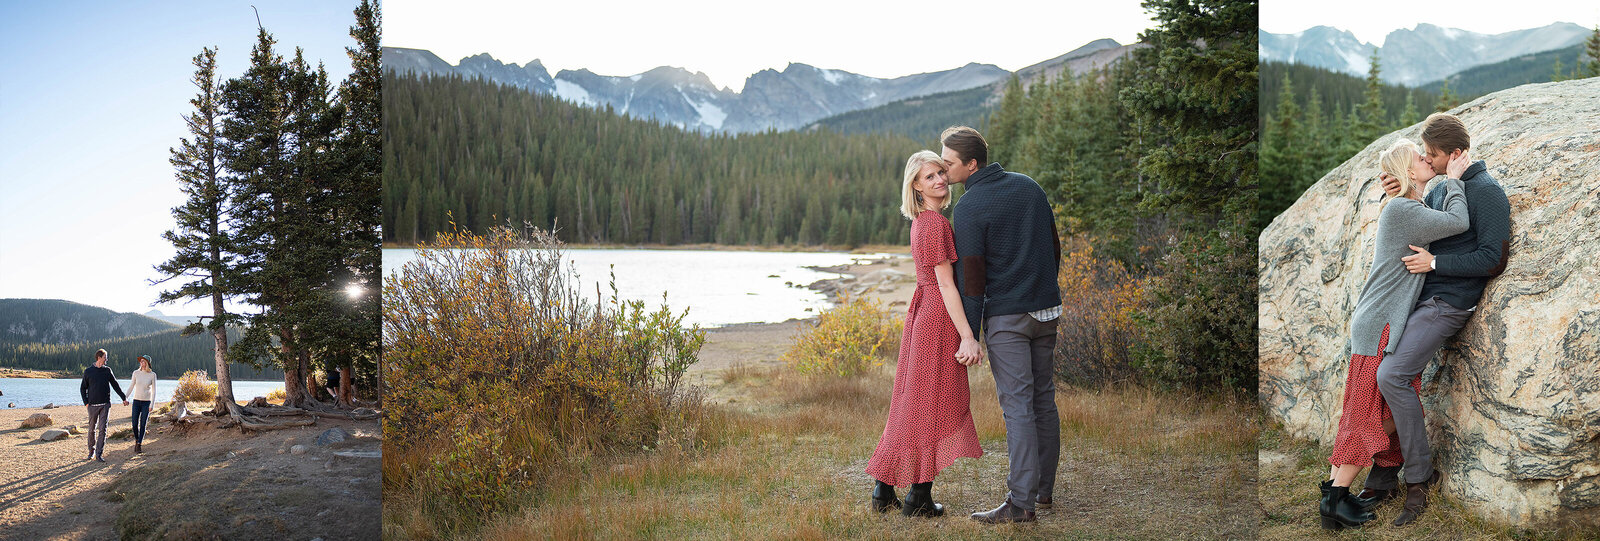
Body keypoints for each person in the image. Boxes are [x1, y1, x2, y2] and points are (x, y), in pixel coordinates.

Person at [1321, 139, 1469, 530]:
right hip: (1380, 325)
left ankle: (1334, 493)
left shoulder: (1404, 207)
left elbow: (1428, 215)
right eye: (1420, 158)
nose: (1427, 159)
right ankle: (1335, 498)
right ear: (1408, 171)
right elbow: (1458, 222)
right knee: (1369, 414)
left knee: (1373, 412)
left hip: (1375, 320)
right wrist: (1454, 179)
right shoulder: (1404, 209)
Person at [1372, 112, 1511, 527]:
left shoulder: (1485, 191)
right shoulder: (1438, 188)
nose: (1426, 160)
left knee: (1391, 376)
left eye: (1431, 155)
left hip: (1447, 303)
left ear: (1456, 154)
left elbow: (1493, 258)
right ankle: (1383, 475)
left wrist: (1435, 263)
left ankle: (1418, 480)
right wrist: (1401, 190)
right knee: (1385, 379)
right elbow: (1415, 225)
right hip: (1418, 302)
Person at [941, 126, 1062, 524]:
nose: (943, 170)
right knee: (1043, 398)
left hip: (1009, 318)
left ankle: (1021, 504)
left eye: (949, 162)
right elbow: (1053, 245)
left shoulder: (970, 206)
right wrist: (1044, 290)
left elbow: (972, 280)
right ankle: (1042, 491)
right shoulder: (1030, 186)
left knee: (1019, 408)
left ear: (971, 164)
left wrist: (968, 334)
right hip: (1046, 311)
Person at [864, 150, 985, 518]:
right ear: (915, 186)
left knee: (913, 401)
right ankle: (918, 496)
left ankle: (885, 489)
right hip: (936, 315)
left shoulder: (923, 222)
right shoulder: (934, 225)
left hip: (924, 312)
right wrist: (968, 335)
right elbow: (947, 286)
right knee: (933, 400)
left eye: (940, 172)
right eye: (929, 176)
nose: (940, 180)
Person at [79, 349, 128, 462]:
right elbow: (83, 388)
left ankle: (99, 454)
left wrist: (123, 398)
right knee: (91, 429)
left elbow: (115, 385)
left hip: (105, 405)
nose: (107, 359)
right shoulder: (88, 371)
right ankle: (91, 451)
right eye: (105, 357)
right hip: (92, 406)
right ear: (99, 358)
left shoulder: (107, 371)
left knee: (103, 430)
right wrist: (86, 403)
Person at [128, 355, 157, 454]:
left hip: (146, 402)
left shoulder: (152, 375)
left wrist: (151, 405)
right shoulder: (136, 373)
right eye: (141, 361)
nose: (142, 363)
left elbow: (154, 391)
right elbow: (131, 386)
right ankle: (137, 439)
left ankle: (139, 444)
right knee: (134, 424)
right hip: (136, 401)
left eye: (144, 361)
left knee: (143, 424)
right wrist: (125, 397)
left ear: (148, 363)